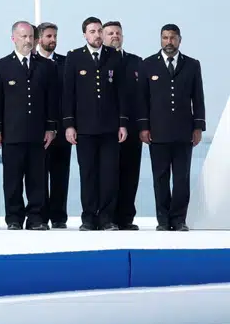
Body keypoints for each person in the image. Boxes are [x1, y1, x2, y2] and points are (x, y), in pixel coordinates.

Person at [0, 21, 58, 230]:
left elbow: (52, 100)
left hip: (38, 133)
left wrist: (51, 128)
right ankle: (14, 218)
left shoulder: (46, 66)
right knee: (12, 180)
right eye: (23, 37)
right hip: (12, 132)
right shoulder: (1, 66)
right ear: (14, 38)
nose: (28, 41)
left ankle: (36, 218)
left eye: (30, 37)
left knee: (37, 179)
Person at [61, 17, 128, 230]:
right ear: (85, 35)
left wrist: (123, 123)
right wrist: (69, 125)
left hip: (110, 128)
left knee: (109, 174)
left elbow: (122, 93)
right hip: (85, 128)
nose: (97, 35)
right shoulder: (74, 58)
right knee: (88, 174)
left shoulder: (113, 57)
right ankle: (89, 218)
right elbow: (68, 94)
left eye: (100, 31)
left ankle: (106, 218)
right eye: (92, 31)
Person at [138, 24, 206, 231]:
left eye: (173, 38)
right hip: (157, 132)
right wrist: (143, 127)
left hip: (184, 132)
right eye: (165, 38)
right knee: (160, 178)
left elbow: (198, 98)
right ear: (160, 39)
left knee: (181, 178)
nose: (169, 42)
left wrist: (198, 127)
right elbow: (142, 100)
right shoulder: (148, 64)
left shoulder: (192, 65)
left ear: (179, 40)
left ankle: (178, 219)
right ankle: (163, 220)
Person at [103, 21, 146, 230]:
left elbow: (144, 97)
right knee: (108, 175)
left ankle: (126, 218)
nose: (115, 36)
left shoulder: (136, 62)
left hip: (133, 128)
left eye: (118, 33)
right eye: (110, 33)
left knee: (130, 174)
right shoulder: (99, 62)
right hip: (107, 129)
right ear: (102, 36)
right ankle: (107, 217)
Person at [37, 22, 71, 227]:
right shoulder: (32, 63)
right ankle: (39, 217)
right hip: (37, 131)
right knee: (38, 177)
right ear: (39, 38)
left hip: (61, 130)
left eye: (55, 36)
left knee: (60, 176)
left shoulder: (66, 63)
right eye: (49, 36)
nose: (53, 40)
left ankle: (59, 217)